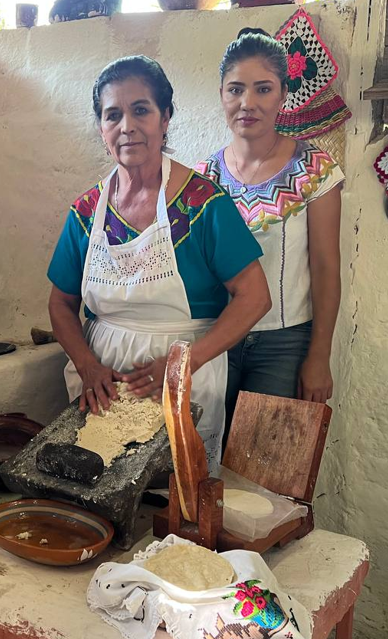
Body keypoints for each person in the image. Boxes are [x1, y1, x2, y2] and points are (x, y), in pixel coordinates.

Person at [47, 56, 271, 472]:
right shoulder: (86, 211)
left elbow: (255, 298)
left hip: (184, 377)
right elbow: (60, 304)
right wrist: (87, 364)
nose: (126, 126)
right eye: (112, 115)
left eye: (141, 110)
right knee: (101, 483)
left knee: (174, 495)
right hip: (104, 383)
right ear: (101, 128)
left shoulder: (203, 203)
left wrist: (185, 362)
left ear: (165, 118)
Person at [195, 29, 344, 437]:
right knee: (202, 456)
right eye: (236, 89)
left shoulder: (315, 169)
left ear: (282, 96)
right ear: (222, 95)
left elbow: (327, 268)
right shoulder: (203, 178)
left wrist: (319, 355)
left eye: (263, 89)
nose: (248, 103)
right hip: (216, 338)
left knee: (263, 468)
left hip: (284, 344)